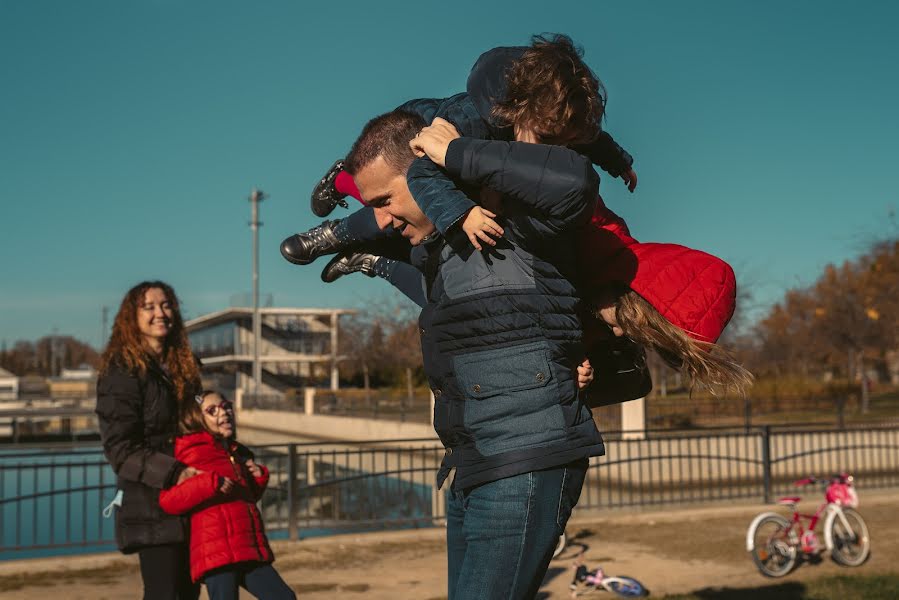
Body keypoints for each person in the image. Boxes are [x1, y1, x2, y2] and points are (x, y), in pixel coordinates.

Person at [345, 107, 603, 599]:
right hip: (474, 461)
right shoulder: (443, 254)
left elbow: (575, 184)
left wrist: (454, 153)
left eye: (384, 200)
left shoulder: (512, 219)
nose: (379, 218)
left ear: (424, 171)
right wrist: (376, 263)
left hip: (524, 457)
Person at [281, 34, 637, 275]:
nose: (550, 153)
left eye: (561, 143)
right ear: (520, 110)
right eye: (545, 139)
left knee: (417, 226)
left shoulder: (551, 119)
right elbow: (422, 174)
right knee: (391, 202)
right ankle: (337, 210)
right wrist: (462, 214)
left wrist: (619, 161)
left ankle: (366, 251)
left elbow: (589, 139)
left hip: (463, 159)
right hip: (416, 136)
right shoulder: (468, 122)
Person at [95, 281, 202, 600]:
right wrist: (175, 472)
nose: (160, 313)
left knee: (188, 595)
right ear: (132, 316)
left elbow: (202, 423)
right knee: (164, 594)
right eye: (149, 307)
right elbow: (120, 450)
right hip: (152, 506)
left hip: (193, 502)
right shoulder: (121, 371)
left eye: (167, 305)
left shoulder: (185, 367)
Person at [159, 390, 295, 600]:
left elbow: (242, 499)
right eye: (212, 410)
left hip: (247, 549)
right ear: (197, 419)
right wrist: (208, 483)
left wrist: (258, 479)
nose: (223, 413)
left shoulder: (234, 452)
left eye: (226, 406)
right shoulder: (191, 451)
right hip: (217, 553)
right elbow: (169, 501)